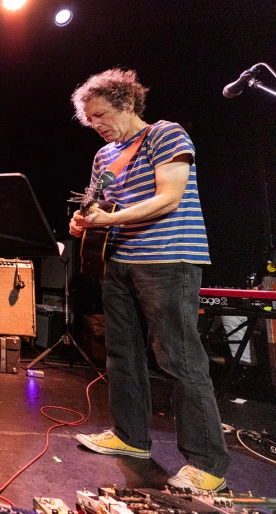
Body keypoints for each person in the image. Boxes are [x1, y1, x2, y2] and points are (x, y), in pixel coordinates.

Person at [68, 68, 230, 491]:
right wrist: (83, 220)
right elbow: (100, 207)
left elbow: (169, 197)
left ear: (127, 103)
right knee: (121, 354)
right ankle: (130, 438)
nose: (97, 125)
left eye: (102, 115)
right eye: (90, 120)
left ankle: (207, 463)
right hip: (119, 261)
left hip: (169, 259)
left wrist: (112, 217)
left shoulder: (165, 134)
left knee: (178, 357)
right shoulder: (103, 156)